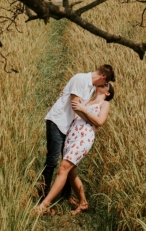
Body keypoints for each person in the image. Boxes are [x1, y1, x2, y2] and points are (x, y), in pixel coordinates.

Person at [39, 64, 115, 202]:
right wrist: (92, 122)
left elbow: (81, 107)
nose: (104, 85)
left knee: (67, 165)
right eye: (105, 82)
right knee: (52, 162)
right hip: (58, 122)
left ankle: (65, 197)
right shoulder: (81, 79)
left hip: (69, 128)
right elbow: (76, 107)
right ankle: (41, 198)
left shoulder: (92, 87)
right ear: (103, 77)